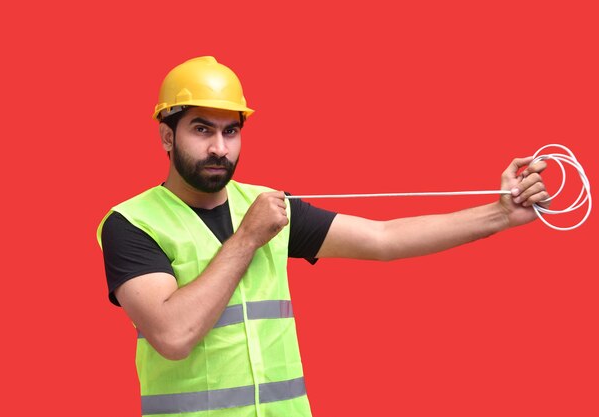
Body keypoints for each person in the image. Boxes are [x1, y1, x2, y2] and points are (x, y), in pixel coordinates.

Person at [96, 56, 549, 417]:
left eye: (231, 131)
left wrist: (500, 214)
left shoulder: (264, 205)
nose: (220, 147)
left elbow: (383, 238)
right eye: (202, 129)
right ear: (166, 135)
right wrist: (247, 238)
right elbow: (173, 336)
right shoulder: (132, 223)